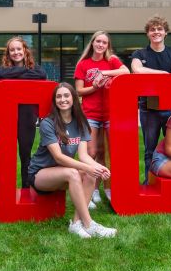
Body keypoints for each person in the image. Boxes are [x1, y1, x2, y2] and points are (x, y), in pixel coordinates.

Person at [28, 82, 117, 238]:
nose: (63, 99)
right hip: (40, 174)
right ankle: (89, 224)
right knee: (74, 173)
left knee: (90, 174)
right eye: (59, 96)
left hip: (63, 172)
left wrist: (97, 167)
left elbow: (83, 156)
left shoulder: (81, 122)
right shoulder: (48, 123)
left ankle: (76, 223)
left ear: (74, 98)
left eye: (66, 95)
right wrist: (86, 167)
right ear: (55, 101)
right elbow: (58, 157)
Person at [74, 31, 129, 206]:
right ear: (92, 43)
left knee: (109, 152)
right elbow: (79, 91)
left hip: (111, 114)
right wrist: (94, 87)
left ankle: (109, 188)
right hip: (91, 114)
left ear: (107, 46)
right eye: (98, 41)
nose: (100, 45)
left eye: (104, 42)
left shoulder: (112, 61)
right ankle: (92, 190)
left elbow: (126, 71)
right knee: (91, 153)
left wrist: (104, 73)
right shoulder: (83, 64)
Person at [131, 15, 171, 184]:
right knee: (150, 149)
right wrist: (162, 74)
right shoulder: (140, 53)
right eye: (152, 29)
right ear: (148, 33)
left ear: (166, 32)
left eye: (159, 29)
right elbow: (137, 70)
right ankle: (149, 182)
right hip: (149, 107)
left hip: (170, 109)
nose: (156, 32)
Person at [0, 36, 46, 188]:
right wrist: (24, 71)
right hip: (7, 116)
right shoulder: (3, 69)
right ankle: (4, 187)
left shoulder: (36, 68)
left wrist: (15, 72)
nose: (16, 52)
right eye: (12, 50)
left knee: (25, 154)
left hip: (27, 116)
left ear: (25, 50)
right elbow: (0, 74)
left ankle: (26, 185)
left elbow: (41, 74)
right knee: (4, 154)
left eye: (19, 49)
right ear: (8, 53)